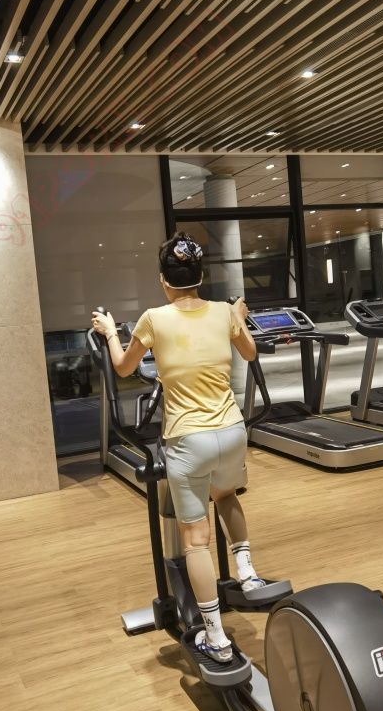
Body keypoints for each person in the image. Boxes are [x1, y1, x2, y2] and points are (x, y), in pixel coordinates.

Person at [92, 232, 263, 664]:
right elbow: (249, 352)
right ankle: (247, 573)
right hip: (232, 431)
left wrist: (110, 332)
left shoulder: (153, 318)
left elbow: (124, 367)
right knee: (226, 496)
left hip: (189, 439)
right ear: (200, 276)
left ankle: (216, 637)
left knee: (196, 540)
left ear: (163, 281)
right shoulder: (223, 312)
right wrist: (238, 317)